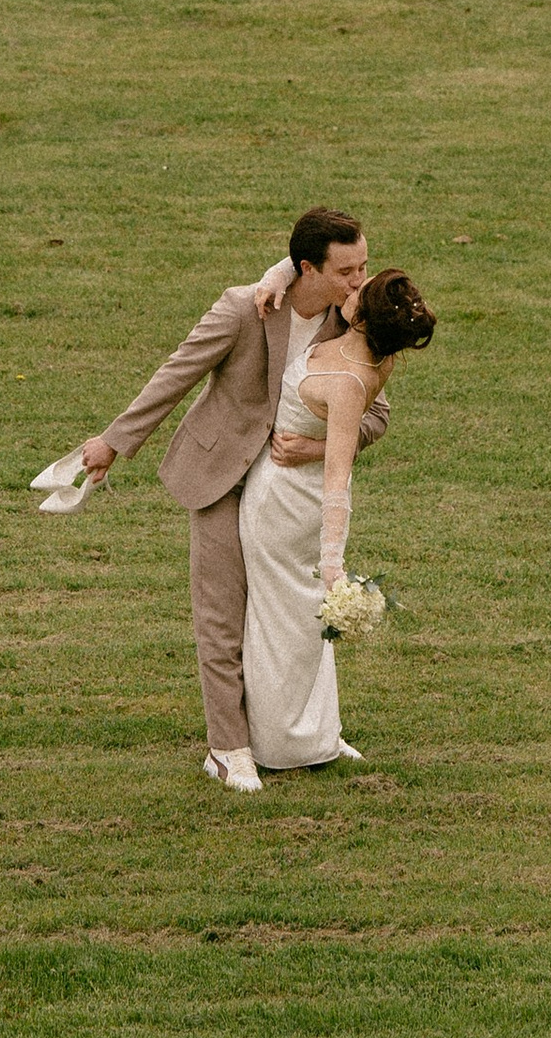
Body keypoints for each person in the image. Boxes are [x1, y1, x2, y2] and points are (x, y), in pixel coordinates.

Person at [77, 209, 392, 795]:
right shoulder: (245, 307)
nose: (360, 281)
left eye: (364, 267)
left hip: (286, 493)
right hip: (218, 477)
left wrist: (317, 445)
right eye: (348, 270)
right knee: (222, 616)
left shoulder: (352, 323)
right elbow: (177, 373)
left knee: (299, 611)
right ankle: (228, 749)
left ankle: (315, 735)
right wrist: (114, 442)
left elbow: (376, 413)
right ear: (307, 269)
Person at [240, 269, 434, 775]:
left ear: (366, 319)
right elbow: (317, 256)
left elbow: (337, 482)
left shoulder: (354, 380)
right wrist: (277, 274)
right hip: (272, 493)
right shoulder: (373, 334)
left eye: (359, 293)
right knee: (281, 620)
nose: (353, 288)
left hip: (291, 506)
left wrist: (333, 563)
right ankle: (296, 734)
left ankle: (301, 739)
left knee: (295, 623)